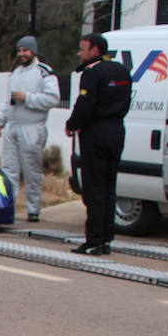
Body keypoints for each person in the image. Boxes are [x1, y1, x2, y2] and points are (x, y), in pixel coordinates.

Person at [65, 33, 132, 255]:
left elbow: (85, 105)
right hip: (117, 130)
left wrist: (71, 125)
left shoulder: (92, 73)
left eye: (83, 49)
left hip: (96, 132)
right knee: (109, 186)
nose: (79, 53)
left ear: (94, 51)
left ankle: (93, 240)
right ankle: (106, 238)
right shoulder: (122, 70)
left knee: (94, 188)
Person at [0, 35, 60, 221]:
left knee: (32, 171)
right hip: (13, 127)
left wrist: (28, 98)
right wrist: (1, 122)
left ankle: (33, 209)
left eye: (25, 50)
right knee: (8, 169)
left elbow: (53, 98)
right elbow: (10, 102)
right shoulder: (15, 73)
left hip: (32, 127)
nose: (22, 54)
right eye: (20, 50)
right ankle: (10, 207)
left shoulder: (43, 72)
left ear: (33, 51)